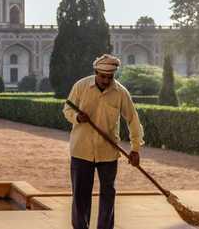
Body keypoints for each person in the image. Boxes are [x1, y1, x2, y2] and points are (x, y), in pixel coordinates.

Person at [62, 54, 144, 229]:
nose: (106, 80)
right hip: (81, 150)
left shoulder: (121, 92)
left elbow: (133, 119)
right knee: (80, 197)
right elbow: (67, 108)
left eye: (110, 77)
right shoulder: (81, 86)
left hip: (108, 151)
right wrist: (77, 116)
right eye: (102, 76)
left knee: (108, 195)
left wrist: (135, 149)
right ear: (95, 72)